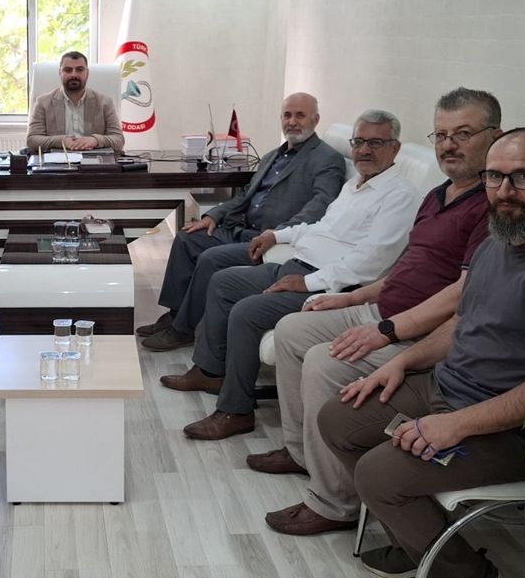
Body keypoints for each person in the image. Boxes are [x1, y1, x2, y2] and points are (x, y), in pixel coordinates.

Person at [250, 88, 501, 537]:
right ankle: (301, 453)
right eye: (442, 135)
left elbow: (464, 294)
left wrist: (386, 330)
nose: (449, 145)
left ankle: (334, 501)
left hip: (417, 331)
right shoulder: (436, 196)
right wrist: (348, 298)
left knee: (324, 361)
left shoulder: (489, 208)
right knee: (291, 329)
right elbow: (403, 271)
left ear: (494, 136)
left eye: (463, 134)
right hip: (382, 309)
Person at [318, 128, 525, 578]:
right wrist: (401, 362)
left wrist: (455, 425)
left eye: (524, 177)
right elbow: (462, 323)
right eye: (494, 176)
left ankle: (463, 572)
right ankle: (415, 542)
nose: (505, 191)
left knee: (379, 475)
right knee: (338, 418)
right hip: (446, 387)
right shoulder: (493, 246)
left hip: (510, 429)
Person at [163, 110, 421, 441]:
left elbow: (371, 262)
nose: (364, 150)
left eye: (375, 143)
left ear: (395, 148)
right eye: (359, 142)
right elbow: (320, 227)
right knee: (223, 282)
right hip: (297, 264)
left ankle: (236, 411)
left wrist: (307, 282)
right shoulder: (355, 185)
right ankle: (211, 371)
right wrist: (277, 235)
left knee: (246, 312)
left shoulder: (399, 196)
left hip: (331, 288)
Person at [139, 92, 345, 351]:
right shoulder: (272, 156)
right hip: (242, 230)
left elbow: (319, 207)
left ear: (315, 119)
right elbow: (246, 195)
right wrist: (214, 215)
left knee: (210, 258)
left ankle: (185, 330)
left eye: (300, 115)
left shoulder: (327, 159)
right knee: (186, 238)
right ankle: (176, 314)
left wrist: (278, 235)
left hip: (272, 241)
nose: (292, 121)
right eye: (287, 115)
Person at [25, 51, 124, 153]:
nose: (74, 74)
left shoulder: (105, 103)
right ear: (60, 73)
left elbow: (119, 139)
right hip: (59, 158)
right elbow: (32, 140)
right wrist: (62, 141)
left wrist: (95, 140)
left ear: (87, 73)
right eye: (68, 70)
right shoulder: (43, 103)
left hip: (94, 158)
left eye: (79, 70)